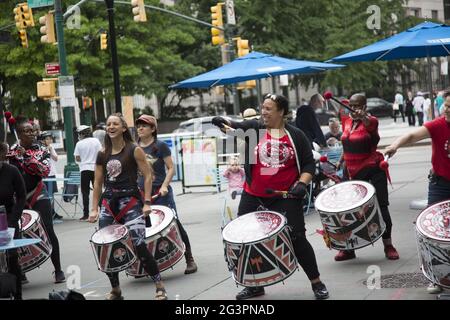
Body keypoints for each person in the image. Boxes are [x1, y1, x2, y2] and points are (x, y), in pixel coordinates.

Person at [212, 93, 330, 300]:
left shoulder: (296, 135)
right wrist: (224, 121)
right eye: (262, 108)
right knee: (246, 240)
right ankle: (255, 285)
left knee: (297, 238)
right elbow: (237, 124)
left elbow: (309, 164)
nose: (263, 112)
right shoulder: (255, 129)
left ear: (281, 112)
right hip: (253, 195)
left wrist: (302, 183)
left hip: (284, 197)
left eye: (268, 109)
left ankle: (316, 282)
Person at [88, 113, 168, 300]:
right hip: (109, 203)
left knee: (139, 246)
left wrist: (147, 202)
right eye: (108, 124)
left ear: (124, 128)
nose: (111, 126)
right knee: (106, 247)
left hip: (130, 202)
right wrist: (94, 208)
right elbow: (98, 183)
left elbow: (148, 175)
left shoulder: (134, 149)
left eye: (115, 123)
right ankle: (116, 289)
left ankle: (159, 285)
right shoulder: (102, 153)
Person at [384, 90, 450, 294]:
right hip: (440, 185)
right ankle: (435, 277)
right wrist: (395, 145)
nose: (447, 109)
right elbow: (413, 135)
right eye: (446, 105)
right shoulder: (437, 125)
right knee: (433, 232)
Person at [334, 94, 399, 262]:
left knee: (382, 206)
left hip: (371, 168)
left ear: (364, 106)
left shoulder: (371, 121)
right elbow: (346, 142)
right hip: (350, 171)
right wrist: (341, 161)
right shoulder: (346, 121)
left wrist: (364, 117)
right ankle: (349, 248)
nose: (353, 108)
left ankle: (388, 245)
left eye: (357, 105)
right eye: (351, 105)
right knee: (347, 211)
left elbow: (370, 125)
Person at [135, 114, 198, 274]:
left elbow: (171, 167)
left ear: (153, 129)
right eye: (138, 125)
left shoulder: (160, 146)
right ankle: (145, 264)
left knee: (174, 223)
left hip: (161, 193)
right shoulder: (135, 147)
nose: (140, 128)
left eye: (144, 125)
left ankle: (189, 258)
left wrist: (164, 186)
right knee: (143, 228)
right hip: (142, 194)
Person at [7, 118, 66, 284]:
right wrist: (13, 155)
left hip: (38, 194)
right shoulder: (11, 151)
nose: (32, 133)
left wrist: (25, 156)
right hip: (18, 198)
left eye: (32, 130)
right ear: (18, 134)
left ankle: (58, 270)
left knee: (49, 229)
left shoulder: (41, 149)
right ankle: (21, 271)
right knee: (16, 234)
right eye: (26, 131)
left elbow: (44, 170)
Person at [0, 142, 26, 299]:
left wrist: (13, 220)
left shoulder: (12, 171)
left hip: (8, 218)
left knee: (11, 258)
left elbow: (22, 196)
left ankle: (17, 295)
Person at [74, 125, 102, 221]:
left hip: (84, 169)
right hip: (95, 168)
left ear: (82, 134)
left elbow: (77, 158)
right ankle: (102, 211)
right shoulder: (96, 141)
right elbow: (100, 153)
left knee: (85, 192)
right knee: (98, 190)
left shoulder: (79, 143)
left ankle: (86, 214)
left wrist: (85, 159)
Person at [39, 131, 63, 220]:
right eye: (47, 139)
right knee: (46, 194)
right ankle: (47, 212)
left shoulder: (51, 147)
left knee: (52, 194)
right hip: (45, 174)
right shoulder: (40, 148)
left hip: (52, 173)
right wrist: (46, 150)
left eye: (50, 139)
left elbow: (56, 158)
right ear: (43, 140)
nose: (49, 140)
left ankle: (52, 211)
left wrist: (50, 150)